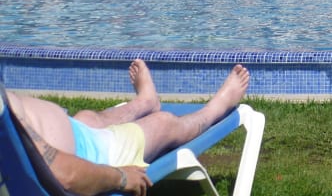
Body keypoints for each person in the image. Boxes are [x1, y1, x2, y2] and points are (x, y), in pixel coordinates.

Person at [7, 59, 249, 195]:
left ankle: (145, 102)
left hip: (75, 136)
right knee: (163, 123)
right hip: (94, 158)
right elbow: (65, 174)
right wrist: (121, 177)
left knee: (88, 117)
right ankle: (216, 108)